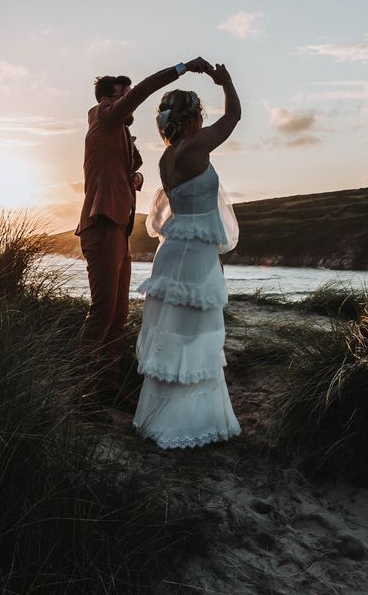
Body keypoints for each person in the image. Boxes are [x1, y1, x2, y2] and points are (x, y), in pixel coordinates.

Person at [75, 58, 213, 401]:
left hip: (118, 230)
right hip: (102, 225)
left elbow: (118, 166)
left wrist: (132, 176)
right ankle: (77, 389)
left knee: (118, 315)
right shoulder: (104, 117)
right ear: (107, 99)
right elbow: (143, 91)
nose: (130, 99)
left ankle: (107, 388)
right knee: (103, 311)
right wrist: (180, 69)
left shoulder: (116, 132)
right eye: (123, 94)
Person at [133, 64, 241, 448]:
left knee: (171, 333)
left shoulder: (165, 158)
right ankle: (184, 424)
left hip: (174, 247)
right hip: (194, 254)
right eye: (199, 115)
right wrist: (225, 82)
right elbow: (233, 117)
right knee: (195, 334)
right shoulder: (195, 147)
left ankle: (161, 417)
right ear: (193, 118)